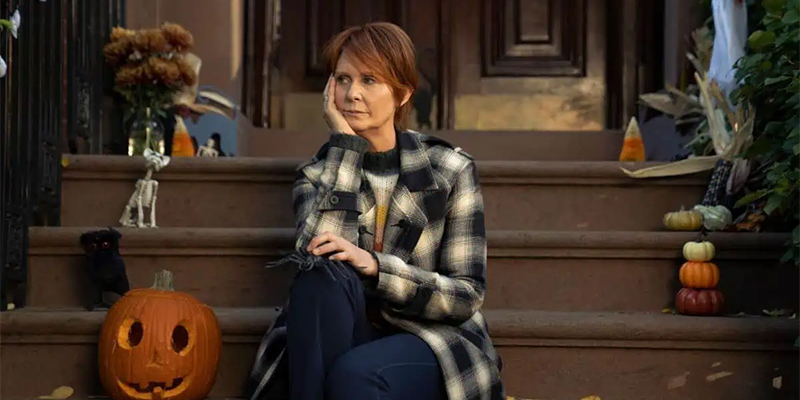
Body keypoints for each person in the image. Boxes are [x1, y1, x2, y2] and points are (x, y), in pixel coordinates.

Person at [246, 22, 504, 400]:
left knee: (357, 375)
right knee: (320, 273)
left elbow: (466, 295)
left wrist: (376, 267)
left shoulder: (449, 170)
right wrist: (346, 148)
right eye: (343, 79)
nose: (352, 94)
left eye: (370, 80)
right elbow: (314, 258)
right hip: (338, 330)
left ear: (402, 94)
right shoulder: (317, 174)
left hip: (429, 336)